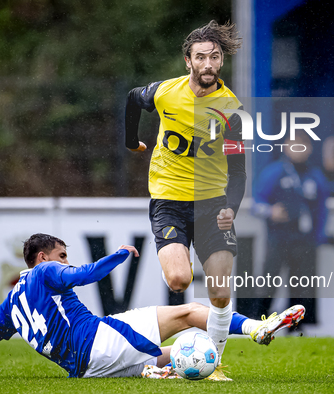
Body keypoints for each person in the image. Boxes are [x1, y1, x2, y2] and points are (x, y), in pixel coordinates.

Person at [0, 233, 305, 380]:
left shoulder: (11, 302)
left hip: (85, 370)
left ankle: (155, 371)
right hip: (98, 340)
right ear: (42, 257)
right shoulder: (45, 270)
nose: (64, 261)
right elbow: (86, 274)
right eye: (61, 255)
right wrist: (119, 255)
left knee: (178, 353)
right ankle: (255, 329)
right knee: (189, 312)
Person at [124, 20, 246, 372]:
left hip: (212, 205)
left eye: (215, 57)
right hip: (168, 200)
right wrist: (132, 142)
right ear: (187, 61)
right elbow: (134, 98)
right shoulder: (165, 92)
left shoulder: (232, 111)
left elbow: (238, 171)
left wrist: (231, 210)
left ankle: (215, 363)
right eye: (201, 57)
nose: (208, 64)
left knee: (220, 292)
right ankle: (183, 342)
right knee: (178, 279)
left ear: (221, 62)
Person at [252, 134, 329, 325]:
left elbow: (322, 210)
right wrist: (271, 211)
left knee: (301, 287)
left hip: (304, 241)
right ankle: (258, 325)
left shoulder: (315, 175)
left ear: (310, 149)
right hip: (278, 239)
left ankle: (296, 329)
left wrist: (318, 237)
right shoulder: (274, 172)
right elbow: (256, 203)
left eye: (303, 145)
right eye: (294, 145)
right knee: (268, 284)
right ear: (286, 147)